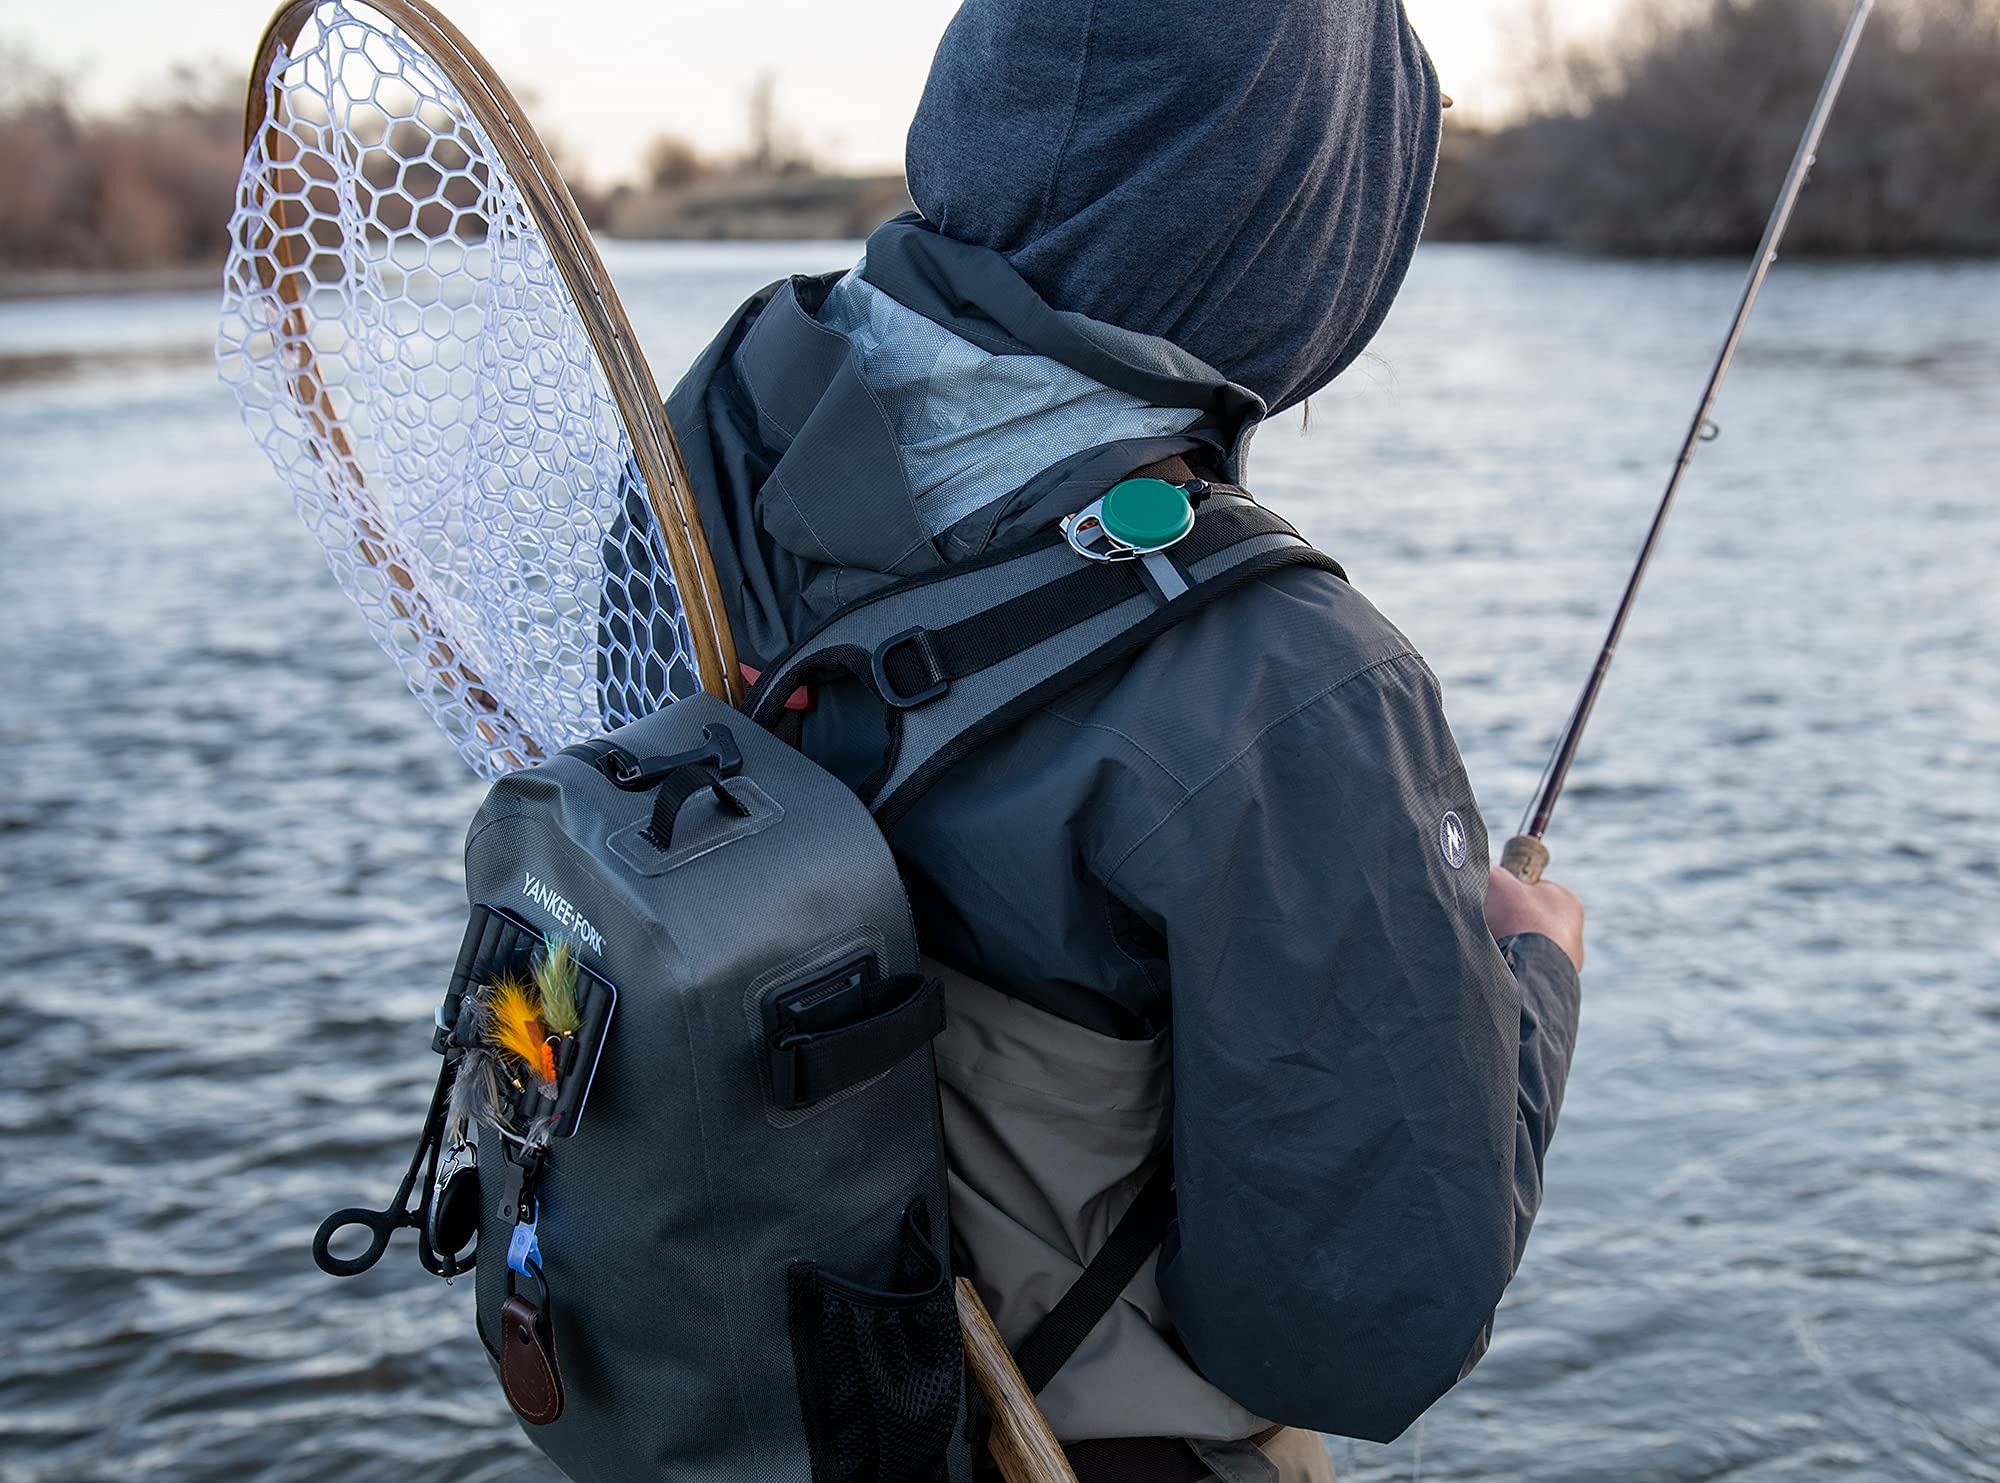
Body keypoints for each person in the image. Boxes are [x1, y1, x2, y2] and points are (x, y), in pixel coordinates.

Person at [663, 2, 1585, 1478]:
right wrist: (1527, 980)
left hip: (743, 1420)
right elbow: (1358, 1324)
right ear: (1281, 232)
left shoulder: (707, 445)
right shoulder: (1290, 687)